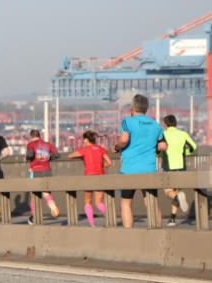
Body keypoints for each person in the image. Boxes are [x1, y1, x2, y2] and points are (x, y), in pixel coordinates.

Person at [115, 93, 167, 229]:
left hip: (128, 170)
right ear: (146, 109)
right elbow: (163, 146)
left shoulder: (128, 122)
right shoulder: (156, 125)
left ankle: (129, 234)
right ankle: (157, 233)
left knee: (126, 203)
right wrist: (155, 150)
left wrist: (117, 146)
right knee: (151, 203)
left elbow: (124, 140)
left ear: (132, 108)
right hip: (149, 170)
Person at [68, 130, 112, 227]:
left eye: (84, 140)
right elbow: (109, 163)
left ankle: (92, 225)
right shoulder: (100, 149)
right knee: (99, 202)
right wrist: (100, 165)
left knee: (88, 201)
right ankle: (110, 220)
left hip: (88, 177)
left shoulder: (84, 149)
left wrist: (81, 156)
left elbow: (70, 156)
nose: (83, 142)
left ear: (87, 140)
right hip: (100, 176)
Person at [160, 115, 197, 226]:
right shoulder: (183, 134)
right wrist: (186, 153)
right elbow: (194, 146)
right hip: (181, 166)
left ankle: (177, 197)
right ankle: (172, 219)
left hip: (168, 167)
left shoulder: (163, 134)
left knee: (168, 192)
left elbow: (158, 149)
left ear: (165, 124)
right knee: (176, 191)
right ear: (175, 123)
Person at [25, 129, 60, 224]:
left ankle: (32, 216)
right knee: (46, 192)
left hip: (35, 171)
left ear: (31, 136)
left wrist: (27, 158)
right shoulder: (48, 144)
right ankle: (53, 208)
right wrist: (48, 157)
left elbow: (30, 154)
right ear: (39, 135)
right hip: (47, 170)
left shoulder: (31, 144)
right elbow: (57, 155)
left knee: (34, 195)